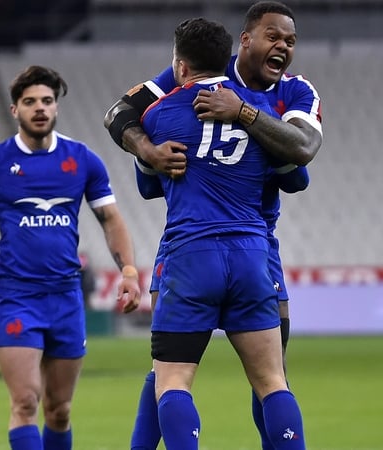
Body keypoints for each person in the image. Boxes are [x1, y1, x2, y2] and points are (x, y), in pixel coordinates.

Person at [104, 2, 322, 449]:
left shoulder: (292, 91)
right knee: (271, 377)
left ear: (182, 65)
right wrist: (148, 150)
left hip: (198, 246)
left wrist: (236, 116)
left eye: (290, 41)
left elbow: (303, 148)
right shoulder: (265, 101)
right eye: (273, 37)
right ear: (245, 41)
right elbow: (297, 175)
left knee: (171, 373)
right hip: (251, 248)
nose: (282, 46)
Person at [0, 64, 141, 450]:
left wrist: (130, 271)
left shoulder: (82, 160)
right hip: (16, 297)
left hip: (66, 298)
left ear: (56, 107)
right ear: (14, 110)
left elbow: (110, 218)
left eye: (47, 101)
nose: (40, 108)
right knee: (25, 401)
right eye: (30, 101)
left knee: (60, 410)